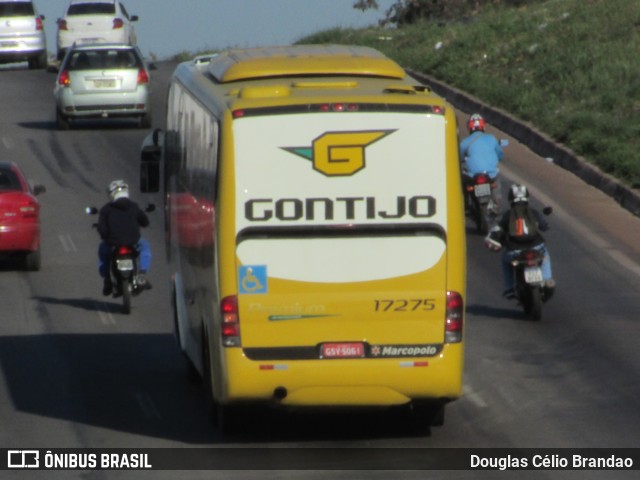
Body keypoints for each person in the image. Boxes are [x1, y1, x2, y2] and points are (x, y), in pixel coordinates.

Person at [484, 184, 555, 299]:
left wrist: (493, 239)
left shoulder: (507, 215)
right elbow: (544, 226)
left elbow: (497, 231)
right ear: (527, 197)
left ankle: (509, 288)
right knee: (545, 255)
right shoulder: (533, 212)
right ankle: (547, 279)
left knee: (504, 260)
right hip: (536, 247)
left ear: (511, 199)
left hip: (515, 251)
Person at [97, 180, 152, 296]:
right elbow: (145, 222)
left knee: (103, 252)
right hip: (133, 242)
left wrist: (106, 236)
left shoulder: (106, 210)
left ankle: (107, 279)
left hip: (113, 243)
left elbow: (102, 230)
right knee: (145, 246)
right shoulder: (134, 206)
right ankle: (142, 273)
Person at [459, 113, 505, 212]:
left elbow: (460, 157)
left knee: (462, 182)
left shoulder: (465, 142)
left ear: (470, 127)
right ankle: (497, 205)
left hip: (472, 175)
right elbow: (500, 155)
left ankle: (465, 205)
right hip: (491, 174)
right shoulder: (492, 139)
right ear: (483, 126)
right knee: (496, 183)